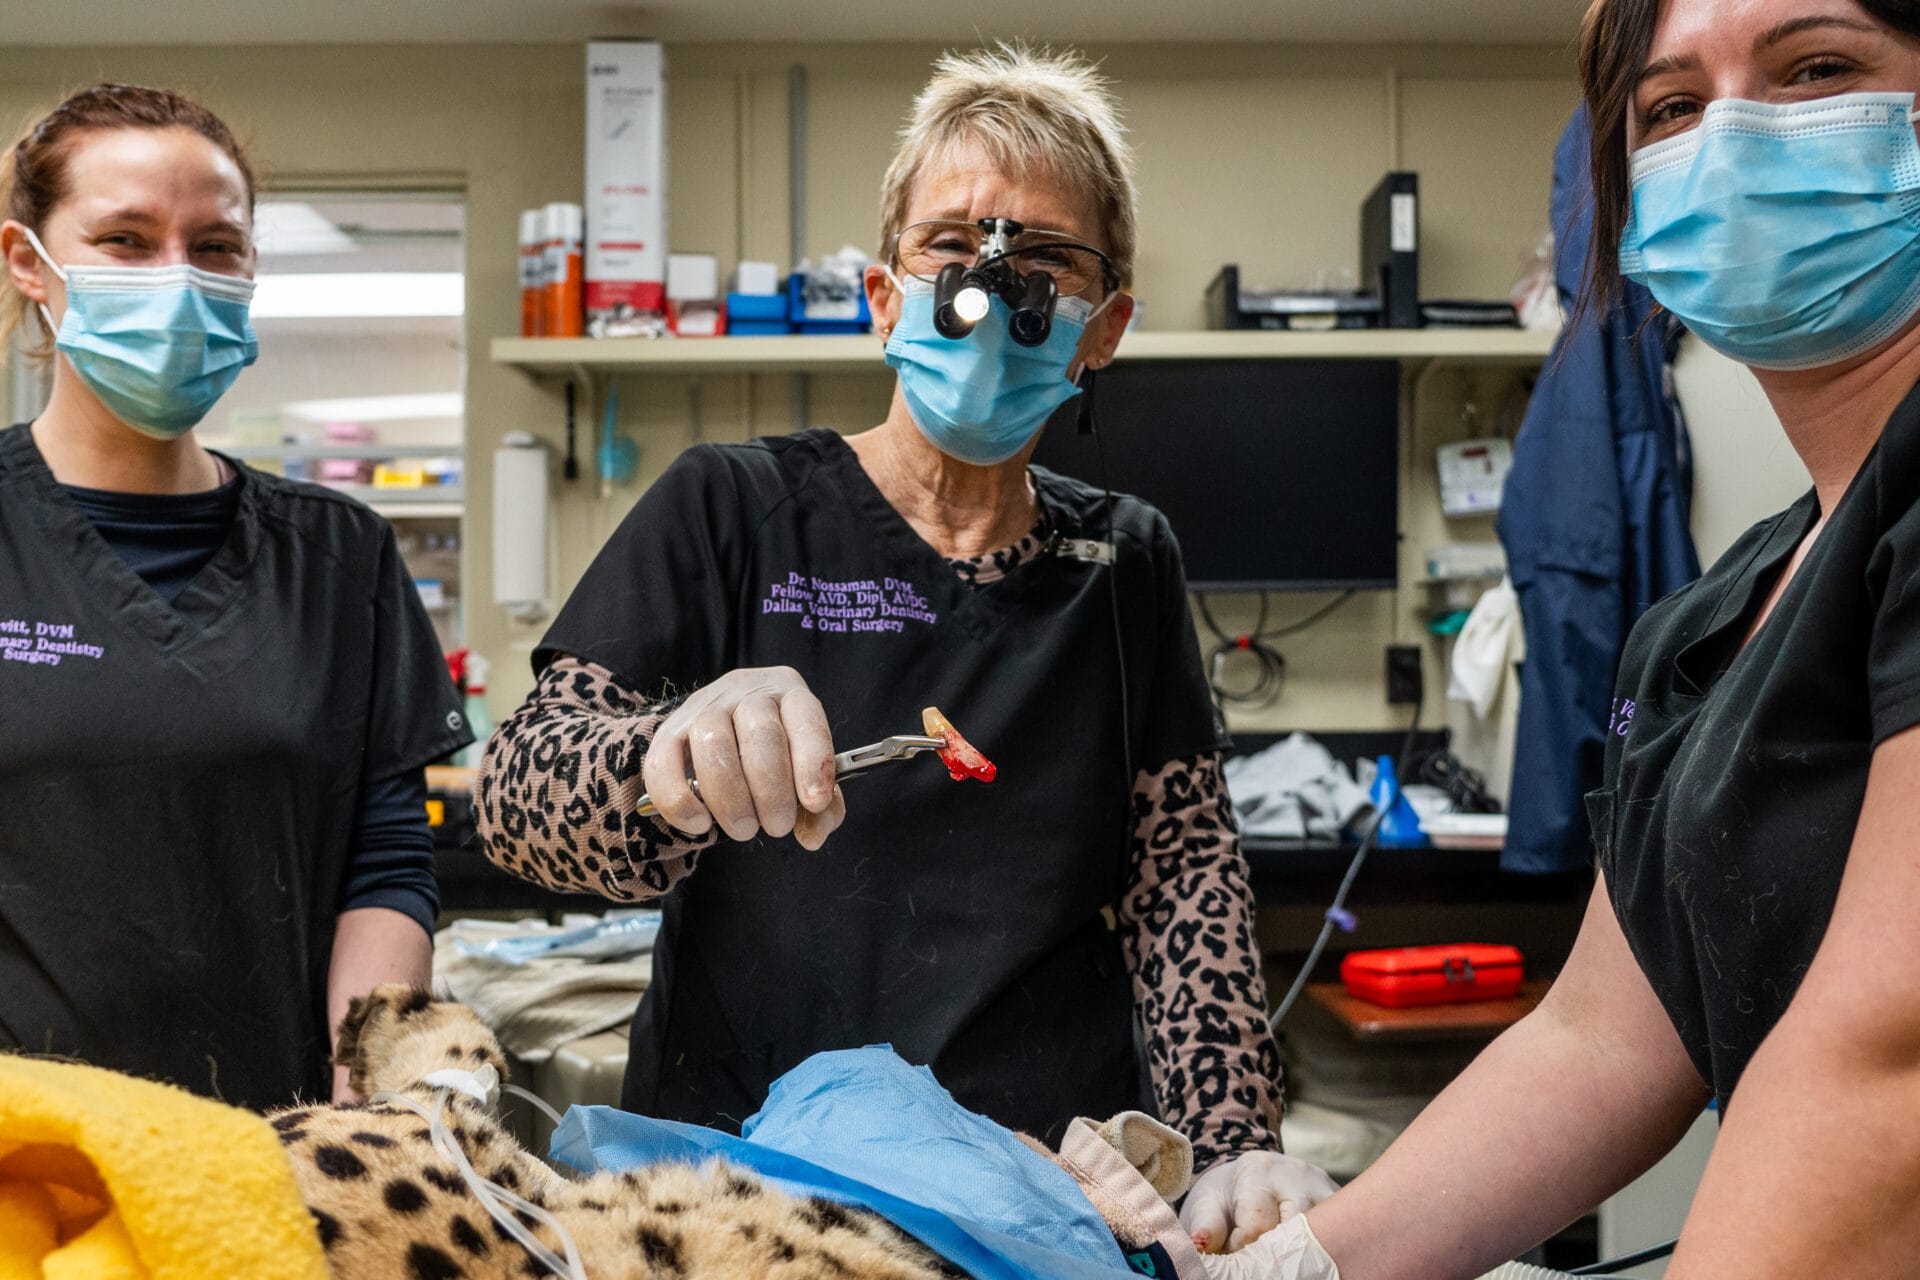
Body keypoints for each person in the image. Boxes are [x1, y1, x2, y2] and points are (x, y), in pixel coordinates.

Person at [478, 44, 1335, 1252]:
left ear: (1105, 328)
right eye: (951, 249)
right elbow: (517, 796)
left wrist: (1237, 1135)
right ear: (884, 301)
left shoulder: (1126, 557)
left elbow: (1181, 880)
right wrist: (660, 763)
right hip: (750, 1189)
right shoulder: (732, 506)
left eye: (1044, 262)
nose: (990, 289)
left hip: (1044, 1196)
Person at [1209, 1, 1920, 1276]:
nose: (1737, 142)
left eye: (1820, 69)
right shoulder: (1705, 625)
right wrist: (1302, 1263)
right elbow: (1597, 1039)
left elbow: (1893, 1063)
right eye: (1672, 109)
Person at [0, 84, 471, 1108]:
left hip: (278, 1141)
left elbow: (386, 857)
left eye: (215, 246)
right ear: (29, 263)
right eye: (125, 239)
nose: (177, 278)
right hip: (25, 1159)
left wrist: (367, 1100)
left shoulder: (340, 555)